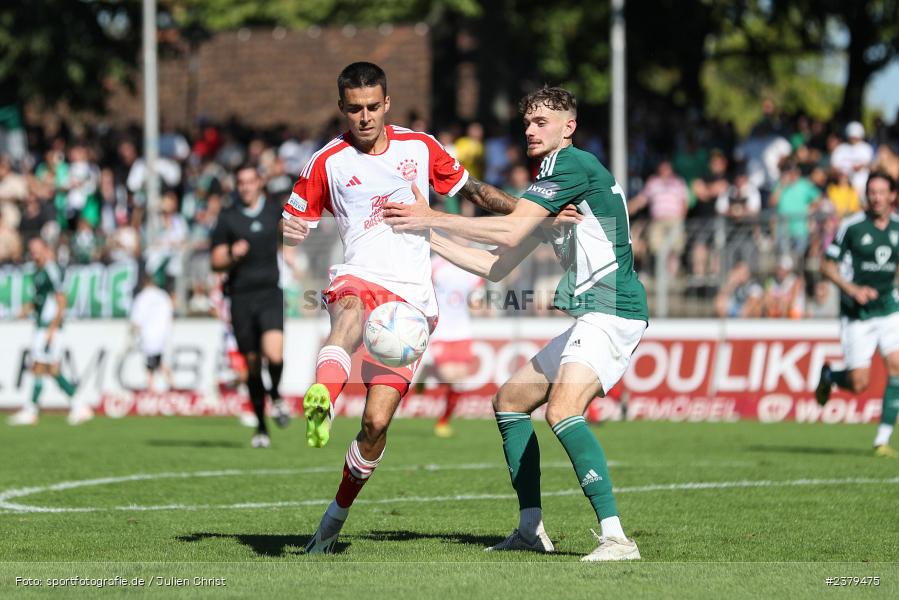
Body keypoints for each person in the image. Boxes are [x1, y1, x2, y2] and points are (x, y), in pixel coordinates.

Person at [384, 86, 648, 562]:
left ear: (568, 127)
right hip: (596, 312)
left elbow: (506, 228)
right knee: (510, 402)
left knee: (562, 411)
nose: (530, 129)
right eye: (527, 122)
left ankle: (616, 538)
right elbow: (496, 266)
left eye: (541, 121)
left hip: (613, 308)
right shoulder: (554, 185)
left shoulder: (569, 166)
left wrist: (432, 215)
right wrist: (425, 236)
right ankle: (530, 528)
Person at [280, 62, 522, 554]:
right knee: (346, 314)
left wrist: (531, 211)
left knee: (375, 425)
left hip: (412, 301)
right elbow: (292, 220)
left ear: (386, 103)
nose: (364, 117)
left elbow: (474, 192)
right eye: (354, 109)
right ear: (341, 108)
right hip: (360, 275)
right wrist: (290, 233)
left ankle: (332, 521)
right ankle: (322, 396)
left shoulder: (421, 148)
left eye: (372, 107)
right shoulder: (327, 162)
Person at [815, 172, 899, 458]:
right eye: (871, 192)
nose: (876, 197)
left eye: (881, 192)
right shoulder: (851, 226)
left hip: (888, 308)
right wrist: (852, 289)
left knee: (897, 365)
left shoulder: (898, 226)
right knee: (859, 384)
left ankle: (882, 441)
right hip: (857, 314)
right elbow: (826, 266)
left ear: (892, 196)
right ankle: (829, 376)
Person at [211, 163, 290, 449]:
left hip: (270, 292)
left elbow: (289, 235)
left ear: (260, 183)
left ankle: (277, 396)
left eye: (250, 181)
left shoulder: (273, 212)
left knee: (275, 353)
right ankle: (260, 426)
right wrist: (232, 253)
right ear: (237, 185)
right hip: (241, 297)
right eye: (240, 182)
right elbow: (215, 260)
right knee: (253, 366)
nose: (245, 186)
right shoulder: (228, 219)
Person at [8, 237, 93, 426]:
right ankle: (77, 405)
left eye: (38, 249)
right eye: (32, 249)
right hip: (41, 325)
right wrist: (27, 308)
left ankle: (33, 410)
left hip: (49, 327)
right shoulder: (37, 272)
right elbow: (41, 300)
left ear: (46, 249)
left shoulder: (51, 270)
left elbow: (62, 300)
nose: (35, 252)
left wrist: (53, 328)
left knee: (41, 365)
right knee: (49, 368)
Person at [429, 249, 484, 437]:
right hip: (441, 331)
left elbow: (477, 296)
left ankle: (443, 421)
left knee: (460, 382)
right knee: (449, 375)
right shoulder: (435, 264)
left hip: (462, 331)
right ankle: (430, 373)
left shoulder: (469, 264)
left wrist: (478, 305)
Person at [129, 271, 174, 392]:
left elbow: (136, 321)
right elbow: (170, 314)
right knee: (162, 363)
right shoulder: (163, 295)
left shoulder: (142, 297)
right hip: (164, 335)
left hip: (149, 337)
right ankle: (172, 386)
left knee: (150, 367)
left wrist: (131, 337)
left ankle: (151, 391)